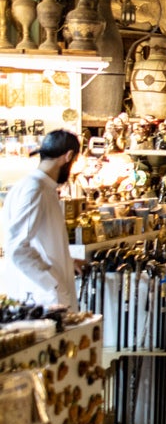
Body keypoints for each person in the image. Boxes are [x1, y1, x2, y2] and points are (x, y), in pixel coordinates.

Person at [0, 130, 81, 310]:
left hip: (45, 295)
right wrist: (53, 283)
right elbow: (17, 248)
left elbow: (40, 241)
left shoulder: (37, 187)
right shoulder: (35, 190)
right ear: (68, 156)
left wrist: (68, 261)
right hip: (41, 299)